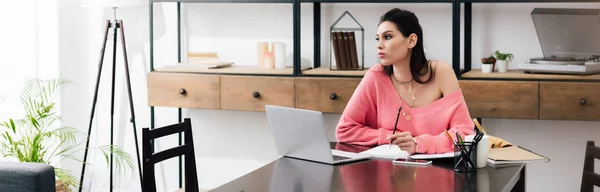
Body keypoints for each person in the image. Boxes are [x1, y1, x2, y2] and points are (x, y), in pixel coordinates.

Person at [335, 8, 475, 155]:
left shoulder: (441, 73)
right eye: (378, 38)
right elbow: (345, 130)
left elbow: (465, 132)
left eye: (387, 37)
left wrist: (420, 144)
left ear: (411, 41)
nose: (379, 45)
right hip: (389, 173)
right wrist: (389, 138)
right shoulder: (376, 76)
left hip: (437, 171)